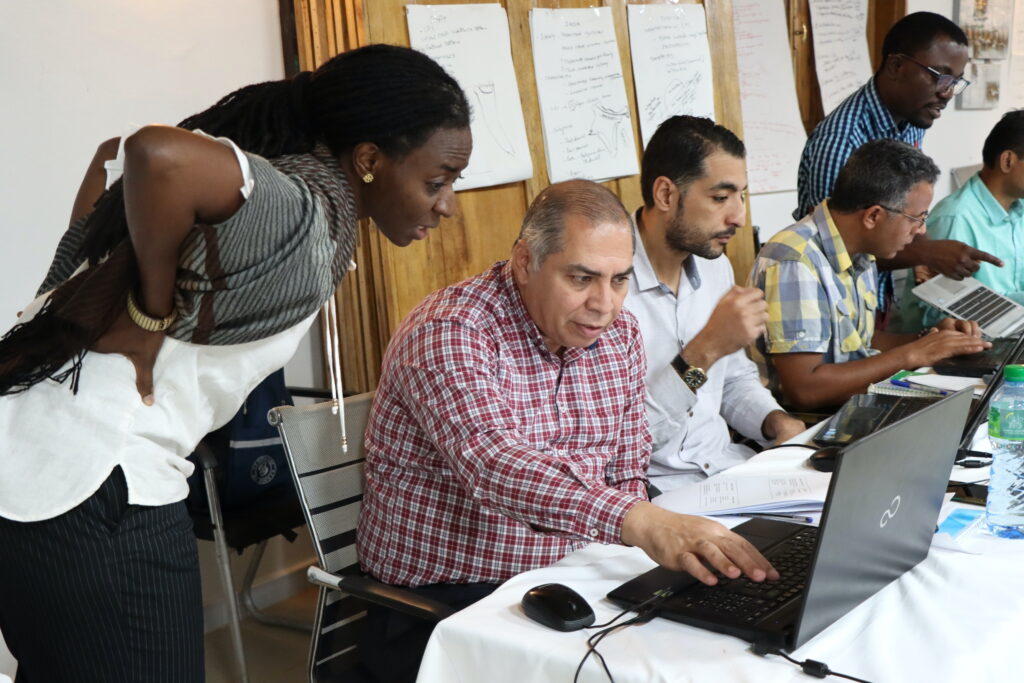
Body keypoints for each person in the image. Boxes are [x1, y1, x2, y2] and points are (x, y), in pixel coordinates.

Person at [0, 44, 472, 682]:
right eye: (437, 180)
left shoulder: (286, 190)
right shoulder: (303, 213)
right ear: (368, 160)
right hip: (97, 487)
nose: (448, 205)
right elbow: (152, 155)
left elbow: (112, 168)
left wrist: (110, 254)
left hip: (25, 456)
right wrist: (148, 316)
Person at [356, 180, 779, 682]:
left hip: (573, 574)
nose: (605, 304)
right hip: (448, 600)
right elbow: (496, 466)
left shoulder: (618, 333)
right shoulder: (450, 330)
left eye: (620, 279)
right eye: (581, 278)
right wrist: (641, 522)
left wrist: (641, 553)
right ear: (524, 262)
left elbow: (626, 466)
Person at [626, 116, 805, 493]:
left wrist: (773, 420)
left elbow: (733, 380)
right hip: (658, 494)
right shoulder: (608, 286)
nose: (739, 216)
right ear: (665, 195)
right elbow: (627, 444)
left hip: (727, 472)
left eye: (741, 196)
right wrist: (704, 350)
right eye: (720, 198)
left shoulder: (715, 269)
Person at [751, 139, 989, 411]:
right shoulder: (795, 261)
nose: (921, 231)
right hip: (809, 424)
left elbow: (860, 342)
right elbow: (805, 390)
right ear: (873, 216)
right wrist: (911, 355)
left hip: (853, 405)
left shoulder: (860, 251)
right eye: (917, 218)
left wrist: (931, 340)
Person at [795, 11, 1000, 312]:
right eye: (940, 76)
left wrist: (923, 252)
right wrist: (926, 254)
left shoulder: (912, 118)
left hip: (875, 297)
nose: (946, 94)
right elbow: (832, 247)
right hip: (833, 307)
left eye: (955, 82)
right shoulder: (840, 141)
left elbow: (908, 201)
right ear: (896, 65)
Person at [899, 110, 1024, 329]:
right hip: (956, 351)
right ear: (1008, 161)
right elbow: (937, 314)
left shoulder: (1018, 209)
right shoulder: (956, 218)